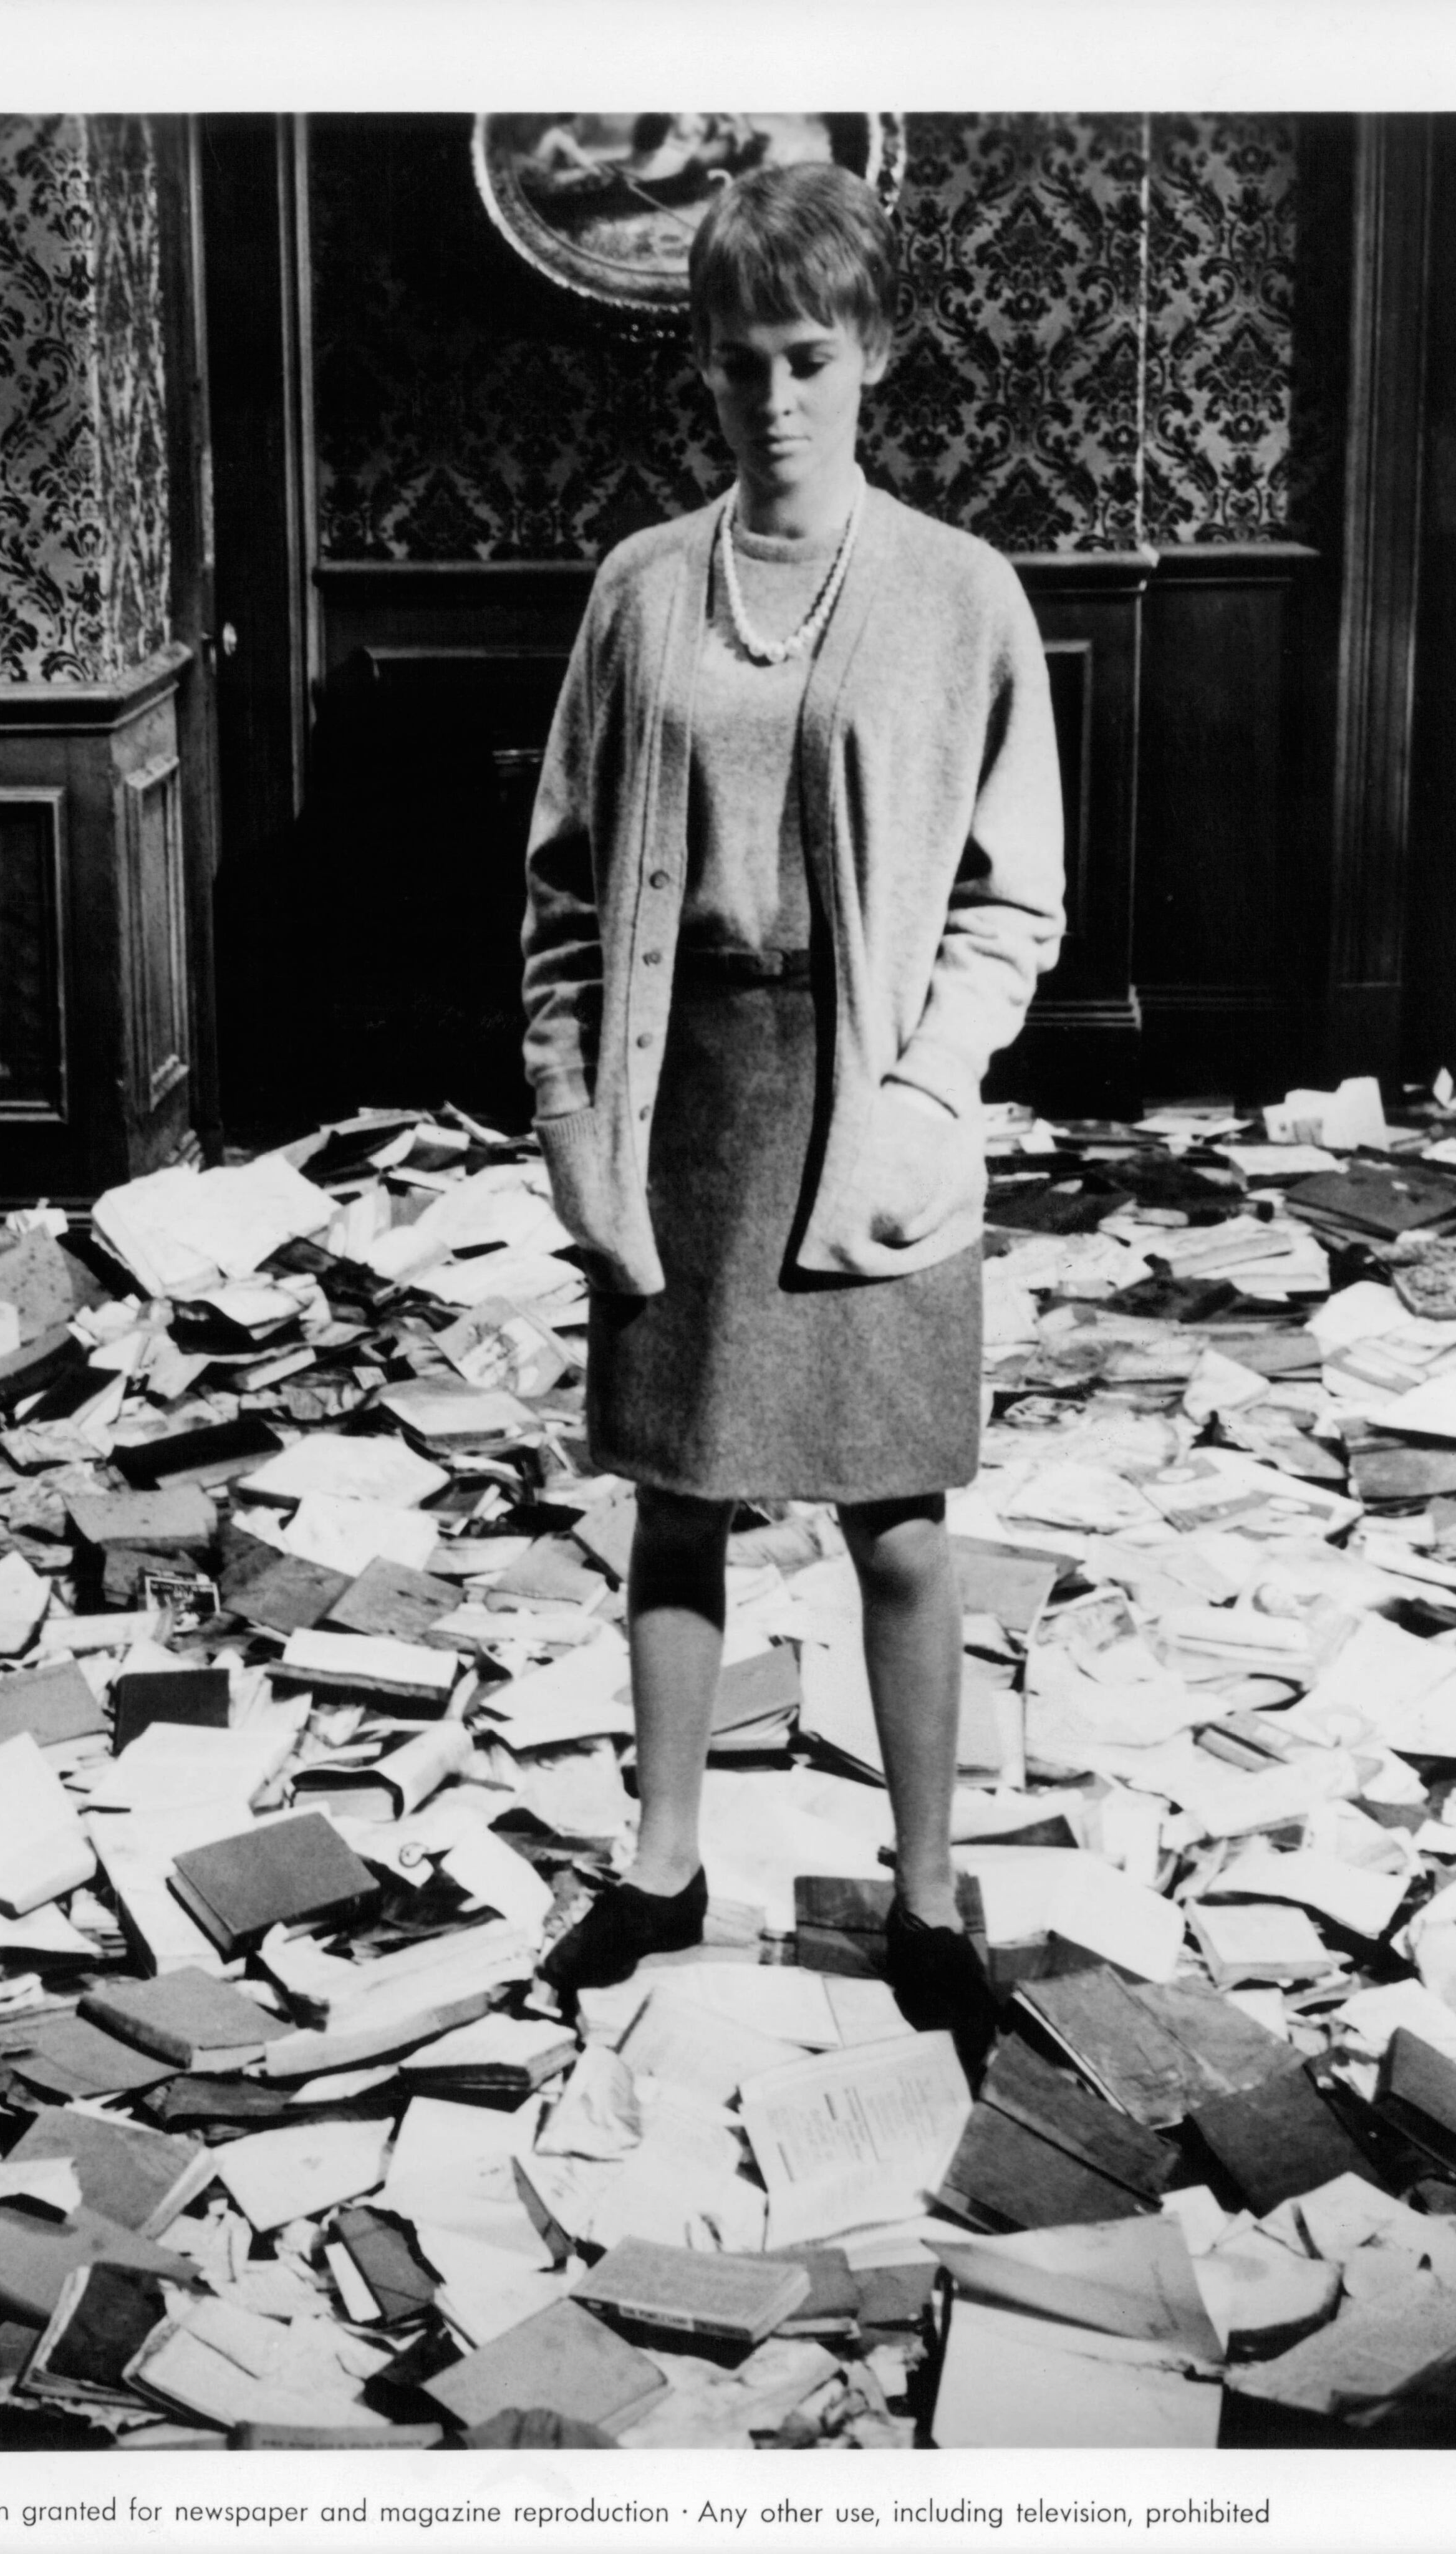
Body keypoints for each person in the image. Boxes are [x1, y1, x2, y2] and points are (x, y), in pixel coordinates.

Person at [518, 161, 1066, 2065]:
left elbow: (1015, 897)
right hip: (686, 1095)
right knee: (678, 1504)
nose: (775, 398)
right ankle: (663, 1864)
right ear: (704, 365)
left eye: (812, 357)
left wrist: (930, 1100)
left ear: (877, 357)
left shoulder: (958, 593)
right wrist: (576, 1123)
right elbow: (568, 897)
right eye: (742, 361)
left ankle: (923, 1896)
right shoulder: (640, 592)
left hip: (873, 1102)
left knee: (899, 1520)